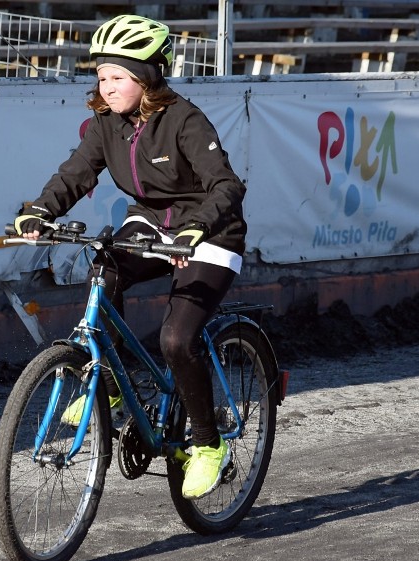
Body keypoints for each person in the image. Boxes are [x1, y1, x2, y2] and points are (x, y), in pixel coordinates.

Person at [13, 14, 247, 500]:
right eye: (101, 75)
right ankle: (114, 383)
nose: (107, 84)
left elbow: (227, 185)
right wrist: (39, 210)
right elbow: (76, 174)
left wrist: (197, 227)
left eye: (118, 76)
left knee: (176, 339)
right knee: (105, 266)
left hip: (210, 232)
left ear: (148, 77)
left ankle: (207, 445)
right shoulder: (106, 124)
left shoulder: (185, 120)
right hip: (152, 223)